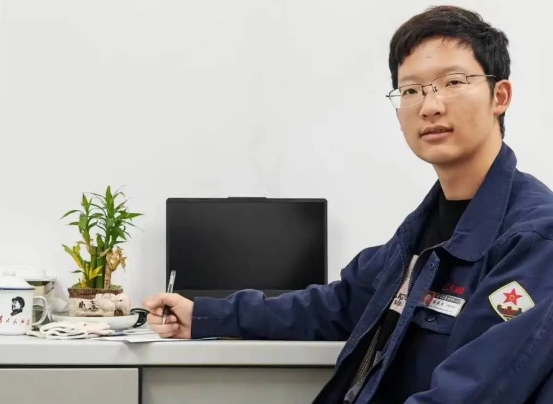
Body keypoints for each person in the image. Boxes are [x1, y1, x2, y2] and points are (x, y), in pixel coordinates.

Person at [144, 5, 553, 403]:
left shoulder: (536, 239)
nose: (430, 106)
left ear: (500, 96)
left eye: (453, 82)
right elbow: (335, 305)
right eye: (411, 90)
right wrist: (205, 316)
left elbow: (471, 390)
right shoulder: (420, 234)